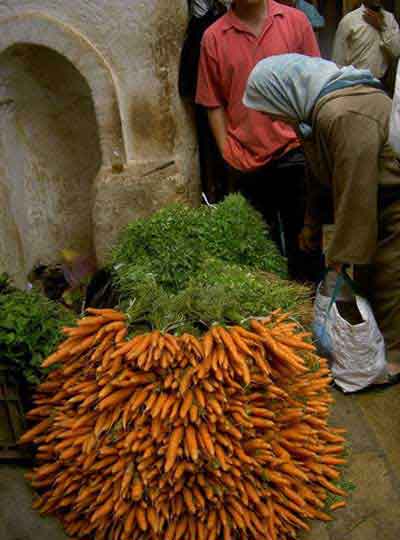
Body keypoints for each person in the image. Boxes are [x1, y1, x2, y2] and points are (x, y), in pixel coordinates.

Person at [244, 53, 400, 383]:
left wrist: (338, 259)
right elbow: (319, 178)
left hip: (390, 197)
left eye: (270, 108)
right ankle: (371, 352)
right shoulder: (312, 115)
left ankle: (393, 359)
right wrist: (311, 224)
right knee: (367, 277)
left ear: (283, 92)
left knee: (389, 273)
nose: (273, 119)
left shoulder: (342, 113)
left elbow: (354, 190)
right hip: (368, 197)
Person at [196, 0, 322, 281]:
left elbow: (315, 82)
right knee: (259, 251)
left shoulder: (295, 22)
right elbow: (212, 101)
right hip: (246, 157)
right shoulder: (214, 37)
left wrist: (312, 141)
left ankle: (312, 311)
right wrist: (226, 149)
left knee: (306, 244)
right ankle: (273, 318)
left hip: (295, 151)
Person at [179, 1, 231, 202]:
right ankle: (214, 190)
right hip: (202, 80)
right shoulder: (207, 31)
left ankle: (217, 188)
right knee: (208, 133)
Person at [332, 1, 400, 92]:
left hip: (382, 84)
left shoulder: (389, 19)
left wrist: (382, 27)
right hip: (354, 84)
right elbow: (338, 59)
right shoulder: (349, 20)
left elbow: (396, 51)